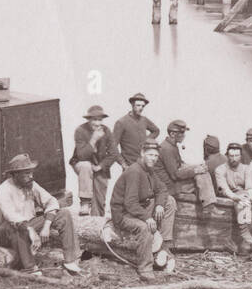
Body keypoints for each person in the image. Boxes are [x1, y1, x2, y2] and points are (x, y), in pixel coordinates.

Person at [0, 153, 81, 275]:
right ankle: (30, 268)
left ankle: (70, 261)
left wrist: (46, 226)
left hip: (27, 226)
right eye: (26, 173)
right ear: (15, 174)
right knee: (16, 226)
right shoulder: (4, 189)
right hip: (3, 231)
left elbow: (51, 201)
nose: (31, 176)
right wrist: (31, 230)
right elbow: (12, 217)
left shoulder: (31, 184)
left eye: (31, 172)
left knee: (64, 214)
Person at [110, 139, 176, 279]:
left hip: (138, 209)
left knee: (169, 201)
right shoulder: (135, 171)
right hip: (124, 214)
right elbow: (130, 203)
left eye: (156, 156)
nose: (153, 158)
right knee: (145, 228)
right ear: (142, 153)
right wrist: (147, 218)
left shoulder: (149, 170)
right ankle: (145, 269)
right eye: (150, 155)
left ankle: (163, 245)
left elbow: (162, 189)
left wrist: (158, 205)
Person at [159, 118, 217, 216]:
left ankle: (208, 204)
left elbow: (181, 164)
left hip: (172, 183)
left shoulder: (171, 145)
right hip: (170, 187)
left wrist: (196, 167)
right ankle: (208, 205)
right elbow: (175, 175)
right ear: (172, 134)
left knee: (201, 171)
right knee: (201, 174)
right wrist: (195, 170)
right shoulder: (166, 149)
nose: (184, 135)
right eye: (181, 133)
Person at [70, 104, 120, 216]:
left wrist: (101, 166)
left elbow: (114, 153)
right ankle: (85, 202)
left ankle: (97, 225)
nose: (97, 123)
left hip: (99, 166)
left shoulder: (106, 131)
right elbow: (82, 156)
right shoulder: (80, 130)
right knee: (85, 166)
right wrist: (94, 139)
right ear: (88, 120)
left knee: (100, 201)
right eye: (94, 120)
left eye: (100, 120)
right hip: (81, 163)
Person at [214, 143, 252, 255]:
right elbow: (224, 189)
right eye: (231, 156)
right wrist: (236, 197)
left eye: (236, 156)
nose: (234, 159)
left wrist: (247, 197)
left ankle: (246, 242)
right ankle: (245, 234)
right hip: (229, 195)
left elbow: (250, 186)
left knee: (247, 203)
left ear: (241, 156)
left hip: (244, 195)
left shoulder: (246, 168)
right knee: (240, 203)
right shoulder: (220, 169)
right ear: (227, 156)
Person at [113, 92, 160, 166]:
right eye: (138, 105)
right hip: (130, 164)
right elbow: (113, 147)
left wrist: (146, 140)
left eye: (143, 106)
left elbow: (156, 131)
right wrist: (123, 163)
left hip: (143, 162)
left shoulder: (144, 120)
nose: (141, 108)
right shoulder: (121, 122)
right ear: (132, 105)